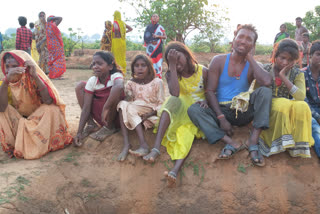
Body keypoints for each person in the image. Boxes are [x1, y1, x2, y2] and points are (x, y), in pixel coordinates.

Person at [188, 24, 273, 167]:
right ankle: (231, 142)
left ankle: (253, 141)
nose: (243, 41)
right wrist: (221, 118)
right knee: (194, 110)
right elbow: (209, 91)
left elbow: (266, 82)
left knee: (265, 92)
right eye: (240, 37)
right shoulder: (218, 60)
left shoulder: (254, 64)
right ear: (234, 39)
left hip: (244, 110)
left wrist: (250, 57)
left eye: (249, 39)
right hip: (222, 111)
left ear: (253, 45)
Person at [142, 42, 208, 187]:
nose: (176, 62)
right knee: (171, 102)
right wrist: (172, 67)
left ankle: (175, 170)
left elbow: (211, 92)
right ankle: (156, 149)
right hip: (180, 110)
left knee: (186, 134)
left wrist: (207, 102)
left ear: (187, 55)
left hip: (197, 112)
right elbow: (175, 93)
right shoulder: (171, 74)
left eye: (178, 58)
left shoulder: (202, 70)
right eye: (171, 60)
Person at [0, 50, 73, 159]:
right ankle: (16, 144)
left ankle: (32, 145)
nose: (11, 70)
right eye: (8, 66)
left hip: (39, 121)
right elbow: (2, 108)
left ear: (24, 65)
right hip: (19, 121)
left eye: (15, 66)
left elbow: (48, 101)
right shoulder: (4, 83)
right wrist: (6, 82)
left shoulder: (33, 77)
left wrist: (35, 76)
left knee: (52, 109)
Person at [258, 39, 314, 157]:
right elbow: (257, 92)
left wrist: (283, 76)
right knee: (283, 104)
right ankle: (275, 144)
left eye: (290, 60)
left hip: (286, 105)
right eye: (282, 58)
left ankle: (297, 147)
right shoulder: (265, 69)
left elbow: (300, 96)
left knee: (302, 106)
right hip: (267, 106)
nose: (285, 62)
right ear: (275, 55)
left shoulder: (297, 73)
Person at [117, 54, 165, 161]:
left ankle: (144, 145)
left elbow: (161, 103)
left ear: (149, 68)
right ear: (133, 68)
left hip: (150, 112)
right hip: (134, 112)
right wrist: (126, 91)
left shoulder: (157, 82)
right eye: (137, 65)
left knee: (131, 107)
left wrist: (150, 114)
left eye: (143, 65)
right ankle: (126, 144)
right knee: (121, 104)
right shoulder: (131, 83)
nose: (140, 68)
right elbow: (128, 100)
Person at [74, 51, 124, 146]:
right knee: (80, 85)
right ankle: (91, 124)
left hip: (115, 116)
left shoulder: (115, 76)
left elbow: (119, 86)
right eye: (94, 64)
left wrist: (106, 107)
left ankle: (109, 127)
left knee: (116, 92)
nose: (95, 66)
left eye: (99, 64)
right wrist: (79, 132)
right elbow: (86, 108)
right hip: (102, 117)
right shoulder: (93, 80)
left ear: (110, 66)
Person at [304, 40, 320, 158]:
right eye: (318, 54)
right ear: (310, 56)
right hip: (309, 111)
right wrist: (317, 116)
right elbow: (304, 101)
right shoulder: (301, 74)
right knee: (316, 129)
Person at [144, 14, 167, 78]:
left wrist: (157, 36)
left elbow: (165, 37)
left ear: (158, 18)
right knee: (150, 61)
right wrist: (151, 41)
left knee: (158, 62)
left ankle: (159, 76)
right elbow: (145, 37)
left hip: (158, 47)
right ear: (151, 18)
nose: (155, 17)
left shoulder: (160, 27)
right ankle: (151, 76)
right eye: (153, 16)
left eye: (156, 16)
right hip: (150, 48)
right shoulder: (148, 27)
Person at [111, 11, 133, 75]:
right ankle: (123, 70)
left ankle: (118, 70)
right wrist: (123, 34)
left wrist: (117, 34)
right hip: (122, 41)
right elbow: (130, 29)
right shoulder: (123, 23)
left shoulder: (115, 22)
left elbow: (116, 29)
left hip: (116, 41)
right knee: (122, 56)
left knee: (117, 56)